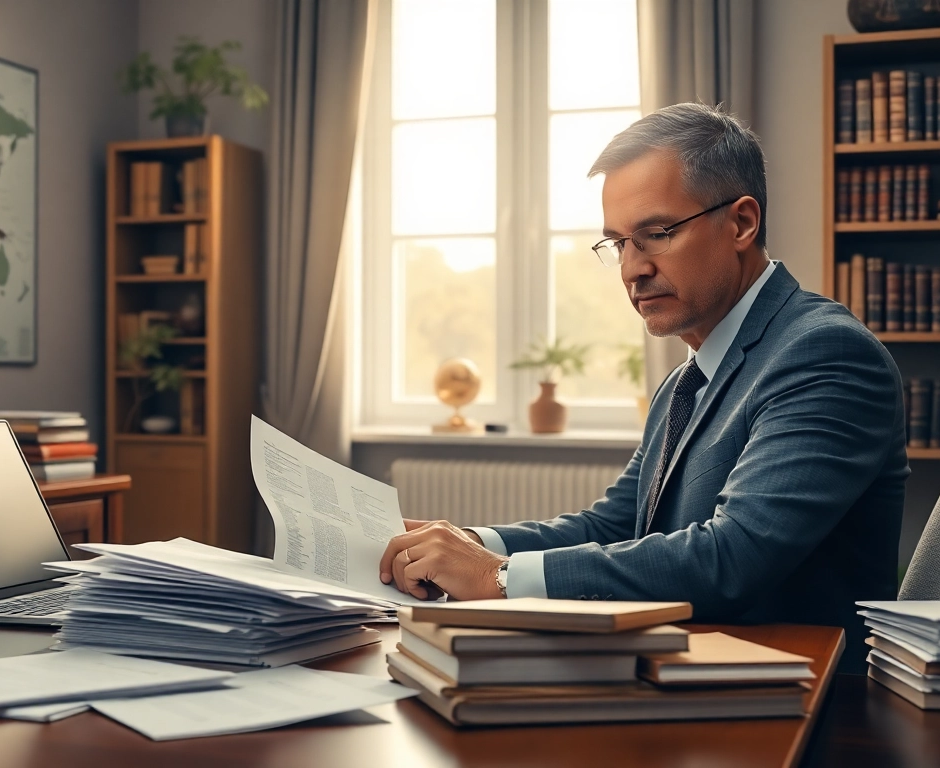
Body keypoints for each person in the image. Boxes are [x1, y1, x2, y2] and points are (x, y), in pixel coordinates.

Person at [378, 102, 908, 671]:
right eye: (619, 243)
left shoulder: (823, 353)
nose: (633, 269)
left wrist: (498, 580)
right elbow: (616, 524)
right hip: (693, 675)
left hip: (798, 705)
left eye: (656, 234)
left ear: (742, 223)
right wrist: (471, 543)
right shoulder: (689, 378)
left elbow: (734, 557)